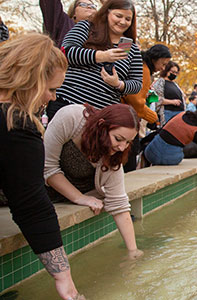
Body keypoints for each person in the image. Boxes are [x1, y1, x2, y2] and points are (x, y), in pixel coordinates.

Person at [0, 33, 81, 300]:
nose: (51, 98)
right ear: (30, 80)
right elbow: (31, 205)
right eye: (51, 89)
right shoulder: (16, 123)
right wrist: (64, 279)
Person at [44, 104, 143, 260]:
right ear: (102, 125)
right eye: (118, 139)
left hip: (69, 196)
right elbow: (47, 167)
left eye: (128, 142)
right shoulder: (71, 118)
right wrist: (79, 198)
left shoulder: (113, 157)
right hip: (42, 189)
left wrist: (133, 251)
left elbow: (119, 203)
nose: (122, 148)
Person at [47, 0, 142, 120]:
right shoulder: (87, 28)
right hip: (68, 102)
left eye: (128, 19)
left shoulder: (128, 46)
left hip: (100, 115)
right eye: (118, 16)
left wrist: (118, 84)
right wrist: (101, 56)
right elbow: (66, 53)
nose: (122, 22)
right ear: (107, 13)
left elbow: (137, 83)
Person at [122, 44, 170, 125]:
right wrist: (153, 118)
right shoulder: (144, 71)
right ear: (154, 59)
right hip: (125, 115)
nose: (163, 68)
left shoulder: (141, 66)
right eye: (163, 64)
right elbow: (136, 101)